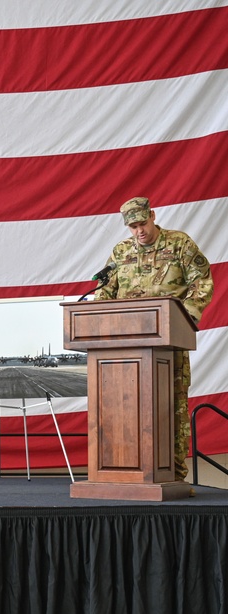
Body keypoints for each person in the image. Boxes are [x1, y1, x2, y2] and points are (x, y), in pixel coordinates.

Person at [96, 197, 214, 481]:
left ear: (153, 216)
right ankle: (126, 473)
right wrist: (98, 316)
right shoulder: (121, 251)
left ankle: (174, 476)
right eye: (133, 226)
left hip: (168, 346)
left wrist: (183, 319)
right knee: (127, 411)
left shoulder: (179, 244)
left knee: (171, 410)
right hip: (126, 350)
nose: (139, 231)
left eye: (143, 223)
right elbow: (104, 291)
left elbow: (203, 281)